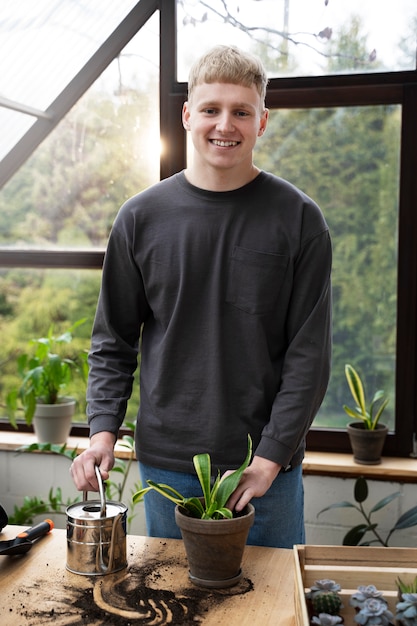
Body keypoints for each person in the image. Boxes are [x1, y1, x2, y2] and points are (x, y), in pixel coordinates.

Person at [70, 44, 332, 548]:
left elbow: (309, 357)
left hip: (262, 475)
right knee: (176, 607)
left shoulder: (300, 220)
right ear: (188, 115)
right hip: (168, 467)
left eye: (241, 111)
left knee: (272, 614)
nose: (224, 125)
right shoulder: (139, 218)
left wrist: (270, 459)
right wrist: (103, 430)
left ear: (263, 121)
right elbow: (113, 341)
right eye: (211, 109)